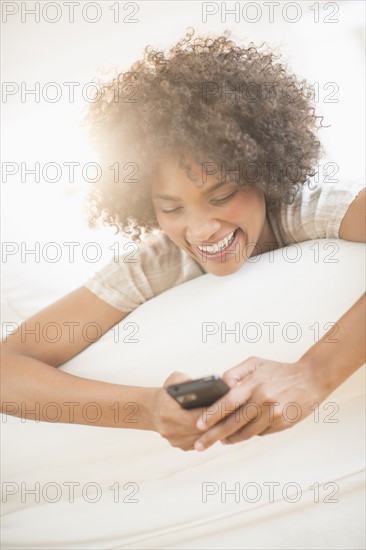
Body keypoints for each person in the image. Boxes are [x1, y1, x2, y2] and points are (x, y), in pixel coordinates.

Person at [2, 31, 365, 452]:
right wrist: (147, 409)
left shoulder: (306, 209)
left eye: (223, 196)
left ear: (265, 174)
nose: (200, 231)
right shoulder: (153, 264)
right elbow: (5, 369)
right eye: (172, 209)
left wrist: (314, 373)